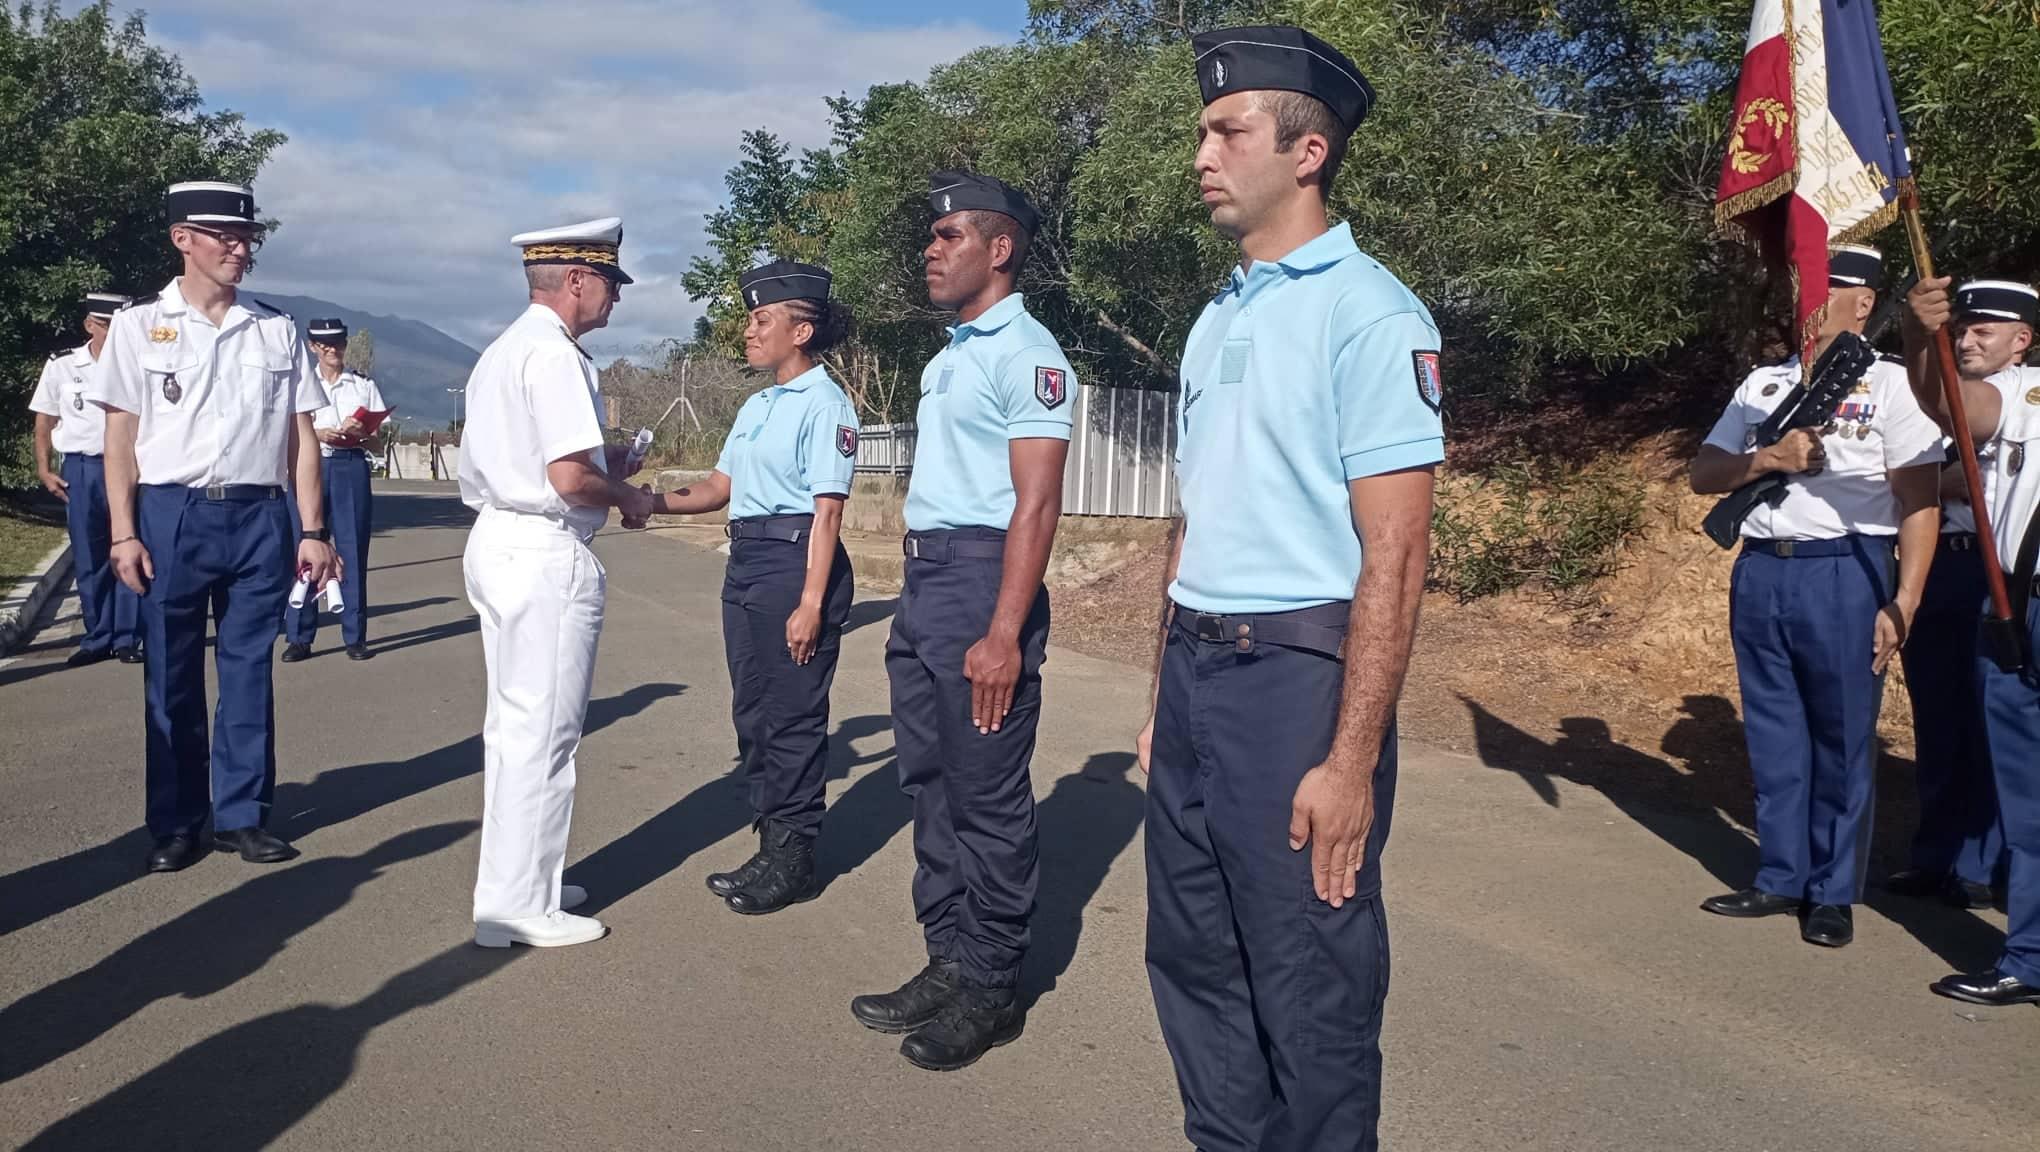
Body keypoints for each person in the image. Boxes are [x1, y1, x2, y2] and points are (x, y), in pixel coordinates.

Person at [1133, 27, 1440, 1152]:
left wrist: (1351, 758)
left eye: (1227, 130)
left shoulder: (1371, 312)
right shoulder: (1217, 315)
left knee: (1309, 978)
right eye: (1204, 132)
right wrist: (1165, 693)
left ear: (1308, 152)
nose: (1201, 153)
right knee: (1196, 958)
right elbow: (1195, 515)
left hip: (1297, 679)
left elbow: (1397, 554)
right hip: (1200, 674)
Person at [847, 170, 1073, 1072]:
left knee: (987, 798)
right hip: (925, 585)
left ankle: (992, 983)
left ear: (1000, 248)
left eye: (949, 238)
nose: (930, 251)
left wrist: (1004, 631)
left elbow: (1038, 505)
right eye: (932, 238)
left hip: (984, 585)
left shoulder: (1030, 354)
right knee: (930, 784)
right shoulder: (949, 358)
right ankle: (947, 957)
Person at [1690, 244, 1942, 948]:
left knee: (1840, 732)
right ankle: (1779, 875)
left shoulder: (1892, 385)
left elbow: (1918, 500)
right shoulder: (1762, 385)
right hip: (1764, 567)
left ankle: (1832, 892)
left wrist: (1906, 600)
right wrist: (1768, 459)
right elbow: (1704, 473)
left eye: (1824, 287)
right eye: (1799, 284)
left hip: (1846, 570)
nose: (1805, 298)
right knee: (1773, 730)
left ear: (1863, 302)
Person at [88, 181, 338, 873]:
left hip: (260, 515)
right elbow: (119, 438)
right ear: (182, 239)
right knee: (170, 675)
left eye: (247, 237)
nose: (239, 248)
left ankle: (241, 817)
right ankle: (175, 823)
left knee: (248, 671)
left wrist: (313, 528)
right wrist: (123, 531)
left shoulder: (275, 327)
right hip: (172, 513)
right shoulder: (141, 326)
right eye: (224, 236)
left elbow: (302, 437)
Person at [458, 217, 652, 949]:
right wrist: (627, 495)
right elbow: (569, 478)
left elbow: (551, 459)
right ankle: (520, 910)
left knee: (515, 728)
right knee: (544, 734)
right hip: (542, 549)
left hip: (499, 540)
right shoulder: (559, 357)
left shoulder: (504, 350)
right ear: (575, 279)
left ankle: (517, 887)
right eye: (608, 281)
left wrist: (607, 465)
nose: (615, 299)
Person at [650, 262, 858, 916]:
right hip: (746, 560)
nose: (747, 331)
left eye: (759, 319)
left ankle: (795, 857)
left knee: (792, 716)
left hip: (795, 563)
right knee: (753, 713)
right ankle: (771, 842)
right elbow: (719, 489)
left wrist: (812, 603)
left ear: (802, 329)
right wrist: (643, 498)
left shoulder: (826, 404)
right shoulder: (758, 404)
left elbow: (828, 512)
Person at [1901, 275, 2040, 1006]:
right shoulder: (2027, 394)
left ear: (2023, 336)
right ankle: (2030, 956)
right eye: (1966, 325)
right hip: (2018, 604)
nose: (1970, 335)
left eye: (1988, 327)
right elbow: (1948, 402)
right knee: (2022, 785)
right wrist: (1921, 336)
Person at [29, 292, 143, 666]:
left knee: (128, 545)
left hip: (129, 465)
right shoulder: (63, 365)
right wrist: (44, 468)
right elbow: (44, 420)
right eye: (106, 325)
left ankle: (128, 636)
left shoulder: (136, 362)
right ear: (90, 325)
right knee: (89, 554)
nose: (113, 333)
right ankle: (98, 636)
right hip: (82, 468)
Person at [282, 318, 387, 662]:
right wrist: (319, 433)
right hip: (308, 466)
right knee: (306, 549)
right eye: (326, 346)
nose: (334, 351)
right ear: (313, 347)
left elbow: (379, 442)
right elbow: (285, 431)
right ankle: (299, 635)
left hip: (349, 464)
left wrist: (360, 431)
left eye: (339, 344)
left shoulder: (362, 385)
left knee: (353, 550)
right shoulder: (299, 383)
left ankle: (355, 636)